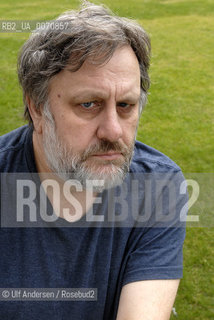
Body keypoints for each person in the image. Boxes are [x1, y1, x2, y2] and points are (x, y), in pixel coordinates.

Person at [0, 2, 187, 319]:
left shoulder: (160, 187)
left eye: (126, 104)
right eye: (88, 104)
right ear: (37, 109)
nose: (114, 131)